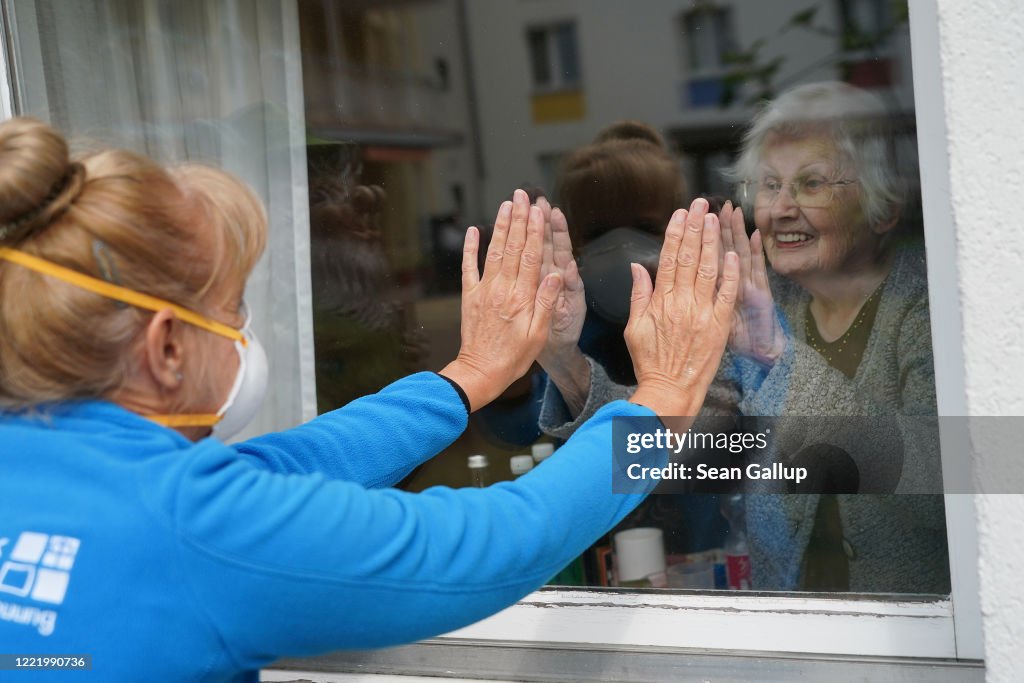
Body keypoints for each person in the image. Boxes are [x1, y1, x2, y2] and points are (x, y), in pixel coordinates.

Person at [0, 117, 738, 681]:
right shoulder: (192, 524)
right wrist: (664, 399)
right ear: (165, 347)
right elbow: (500, 538)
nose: (242, 332)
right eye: (230, 310)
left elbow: (291, 465)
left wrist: (468, 377)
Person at [538, 82, 949, 593]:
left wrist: (779, 357)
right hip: (785, 628)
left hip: (917, 635)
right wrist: (567, 367)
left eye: (812, 184)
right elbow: (696, 456)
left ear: (882, 207)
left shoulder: (934, 311)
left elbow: (940, 493)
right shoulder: (764, 305)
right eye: (770, 185)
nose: (781, 208)